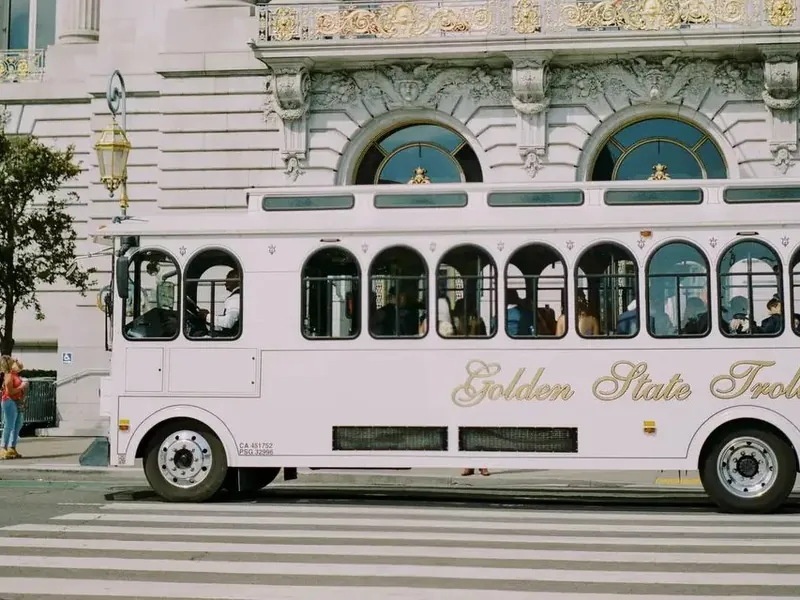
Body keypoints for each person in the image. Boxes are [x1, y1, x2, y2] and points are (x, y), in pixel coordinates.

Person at [199, 269, 241, 336]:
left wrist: (207, 316)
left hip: (230, 338)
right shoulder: (238, 295)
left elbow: (228, 322)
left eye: (228, 278)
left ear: (237, 278)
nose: (225, 282)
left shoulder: (235, 297)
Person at [0, 355, 27, 459]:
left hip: (16, 401)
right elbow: (9, 392)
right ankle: (3, 448)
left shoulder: (14, 374)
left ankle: (12, 447)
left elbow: (20, 366)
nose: (15, 361)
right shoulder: (8, 375)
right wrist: (22, 387)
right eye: (13, 361)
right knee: (9, 425)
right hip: (9, 401)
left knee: (17, 424)